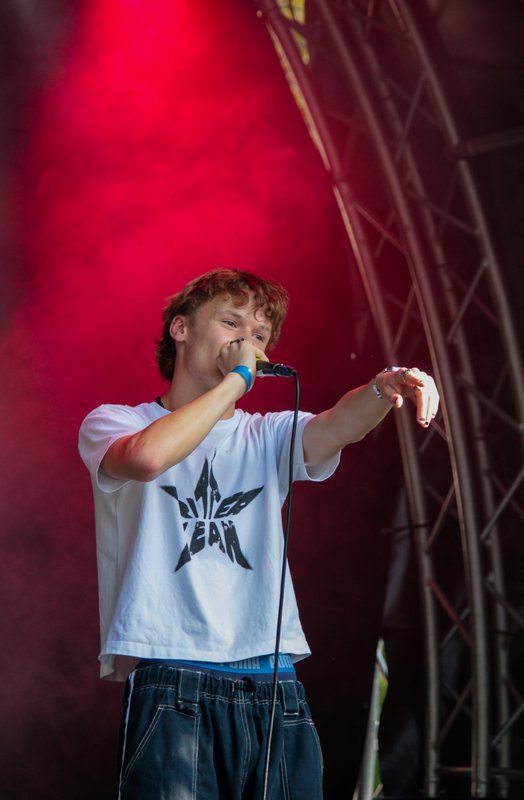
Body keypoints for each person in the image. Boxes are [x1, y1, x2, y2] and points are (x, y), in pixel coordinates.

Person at [79, 268, 439, 800]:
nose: (246, 340)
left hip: (274, 686)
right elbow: (148, 458)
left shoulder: (266, 433)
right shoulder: (115, 422)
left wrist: (383, 388)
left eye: (259, 334)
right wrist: (238, 381)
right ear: (181, 329)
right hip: (172, 675)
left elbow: (337, 425)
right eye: (231, 323)